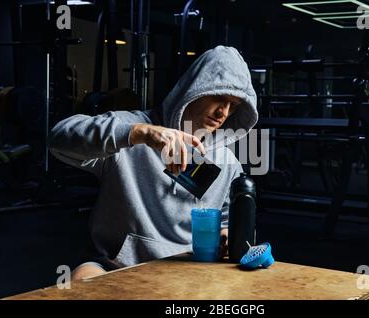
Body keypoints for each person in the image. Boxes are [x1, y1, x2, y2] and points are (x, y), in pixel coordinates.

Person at [49, 46, 258, 280]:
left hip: (188, 268)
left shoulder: (227, 162)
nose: (224, 112)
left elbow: (228, 220)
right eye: (219, 97)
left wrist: (226, 234)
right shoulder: (130, 128)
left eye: (233, 105)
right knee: (80, 279)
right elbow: (59, 137)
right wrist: (139, 134)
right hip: (116, 264)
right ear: (196, 89)